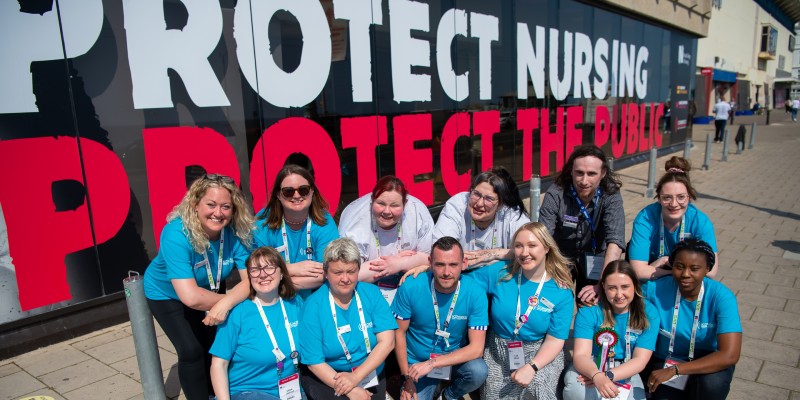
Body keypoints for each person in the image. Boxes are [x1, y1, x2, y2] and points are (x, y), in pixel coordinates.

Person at [143, 174, 253, 400]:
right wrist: (228, 300)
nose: (218, 213)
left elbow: (250, 281)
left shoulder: (236, 232)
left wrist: (227, 301)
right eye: (211, 204)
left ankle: (217, 392)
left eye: (226, 206)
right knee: (191, 350)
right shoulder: (176, 234)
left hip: (211, 286)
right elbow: (191, 297)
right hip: (168, 293)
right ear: (195, 204)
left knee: (216, 344)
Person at [469, 222, 575, 400]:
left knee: (538, 388)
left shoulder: (561, 291)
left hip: (540, 352)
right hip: (499, 349)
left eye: (532, 245)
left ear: (547, 248)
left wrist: (532, 367)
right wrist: (429, 268)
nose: (525, 253)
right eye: (518, 246)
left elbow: (555, 339)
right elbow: (458, 279)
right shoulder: (500, 272)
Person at [299, 238, 398, 400]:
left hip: (369, 371)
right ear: (326, 273)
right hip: (329, 376)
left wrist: (356, 377)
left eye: (351, 271)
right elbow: (314, 362)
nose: (345, 279)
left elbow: (388, 342)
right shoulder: (313, 306)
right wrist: (351, 389)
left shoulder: (371, 294)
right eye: (337, 272)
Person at [643, 239, 741, 400]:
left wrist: (676, 370)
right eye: (679, 267)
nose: (685, 274)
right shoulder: (655, 288)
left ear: (707, 269)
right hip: (667, 360)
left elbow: (730, 355)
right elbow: (622, 296)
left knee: (712, 386)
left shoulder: (722, 297)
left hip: (708, 361)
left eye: (694, 268)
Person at [392, 237, 489, 400]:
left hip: (452, 359)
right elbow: (398, 333)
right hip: (417, 363)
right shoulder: (411, 287)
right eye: (440, 264)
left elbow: (477, 349)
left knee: (478, 371)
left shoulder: (475, 292)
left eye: (453, 265)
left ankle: (448, 395)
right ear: (430, 262)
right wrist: (407, 379)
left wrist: (432, 364)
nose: (446, 272)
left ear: (463, 263)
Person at [210, 247, 304, 400]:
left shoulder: (295, 303)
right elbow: (218, 365)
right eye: (255, 270)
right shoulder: (238, 313)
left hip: (290, 390)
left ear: (281, 274)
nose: (262, 275)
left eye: (269, 267)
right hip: (247, 391)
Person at [539, 144, 625, 305]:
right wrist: (549, 273)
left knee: (590, 304)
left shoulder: (610, 194)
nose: (584, 181)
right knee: (551, 301)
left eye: (591, 174)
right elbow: (543, 238)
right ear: (571, 170)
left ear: (603, 173)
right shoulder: (556, 193)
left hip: (597, 258)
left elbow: (615, 241)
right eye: (579, 173)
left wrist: (603, 283)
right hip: (561, 257)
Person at [562, 260, 659, 400]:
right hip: (592, 363)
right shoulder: (589, 312)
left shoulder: (649, 313)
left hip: (626, 365)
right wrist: (596, 375)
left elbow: (640, 360)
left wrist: (606, 376)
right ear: (603, 287)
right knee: (576, 392)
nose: (619, 295)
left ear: (635, 286)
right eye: (612, 288)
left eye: (625, 287)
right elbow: (581, 356)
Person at [338, 176, 434, 304]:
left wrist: (399, 264)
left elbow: (430, 259)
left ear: (405, 204)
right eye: (381, 204)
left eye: (394, 205)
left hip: (407, 283)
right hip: (366, 290)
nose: (387, 211)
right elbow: (350, 274)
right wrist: (391, 265)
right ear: (372, 200)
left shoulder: (417, 211)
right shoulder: (355, 221)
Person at [628, 157, 719, 281]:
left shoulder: (700, 222)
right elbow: (638, 271)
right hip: (655, 277)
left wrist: (674, 266)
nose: (674, 204)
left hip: (682, 279)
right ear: (659, 198)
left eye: (681, 197)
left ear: (690, 197)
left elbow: (711, 271)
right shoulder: (645, 218)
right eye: (667, 198)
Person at [253, 164, 339, 291]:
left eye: (303, 189)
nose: (297, 195)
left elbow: (329, 272)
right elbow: (258, 272)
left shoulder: (324, 220)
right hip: (275, 298)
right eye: (288, 191)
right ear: (278, 194)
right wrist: (291, 268)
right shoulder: (263, 221)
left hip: (315, 295)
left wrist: (279, 279)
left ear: (312, 191)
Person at [433, 166, 528, 268]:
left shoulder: (511, 213)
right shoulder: (457, 205)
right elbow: (441, 250)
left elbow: (529, 251)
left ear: (500, 204)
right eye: (476, 194)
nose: (479, 203)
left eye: (489, 199)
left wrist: (490, 254)